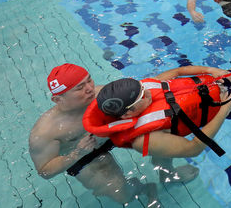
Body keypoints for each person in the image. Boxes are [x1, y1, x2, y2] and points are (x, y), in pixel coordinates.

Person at [84, 43, 231, 159]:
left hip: (218, 83)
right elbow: (193, 148)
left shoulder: (147, 87)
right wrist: (226, 107)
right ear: (127, 114)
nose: (147, 93)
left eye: (143, 89)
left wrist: (212, 70)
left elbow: (180, 72)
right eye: (141, 97)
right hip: (228, 105)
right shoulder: (143, 139)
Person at [28, 64, 189, 206]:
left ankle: (167, 172)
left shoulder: (103, 95)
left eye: (89, 80)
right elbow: (44, 171)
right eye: (79, 88)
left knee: (164, 129)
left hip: (112, 135)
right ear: (58, 99)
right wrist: (77, 154)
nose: (90, 88)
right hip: (86, 154)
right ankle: (145, 189)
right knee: (122, 195)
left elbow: (149, 92)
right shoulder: (45, 132)